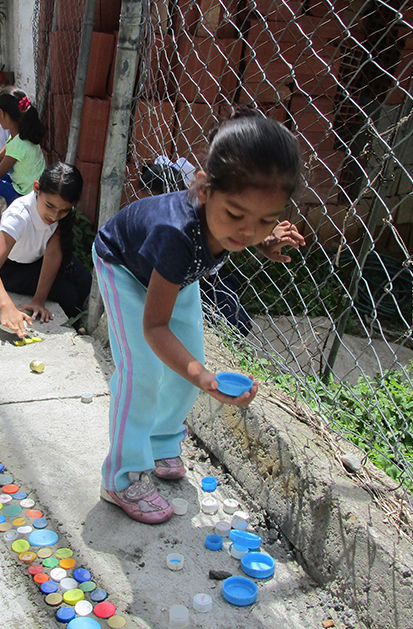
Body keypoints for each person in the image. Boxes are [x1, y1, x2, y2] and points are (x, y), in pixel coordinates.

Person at [92, 108, 306, 524]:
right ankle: (121, 477)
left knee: (189, 356)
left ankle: (161, 441)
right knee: (142, 372)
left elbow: (239, 233)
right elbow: (153, 327)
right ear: (204, 189)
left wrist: (263, 242)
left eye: (265, 220)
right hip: (124, 267)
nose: (247, 231)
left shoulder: (228, 224)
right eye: (237, 215)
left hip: (177, 273)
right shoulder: (175, 234)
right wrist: (203, 378)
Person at [0, 162, 92, 337]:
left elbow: (54, 254)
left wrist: (39, 300)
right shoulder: (19, 216)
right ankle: (76, 329)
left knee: (87, 284)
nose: (54, 216)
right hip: (12, 270)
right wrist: (7, 307)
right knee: (68, 295)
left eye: (63, 211)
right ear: (36, 188)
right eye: (50, 206)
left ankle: (86, 325)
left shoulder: (58, 217)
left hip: (37, 261)